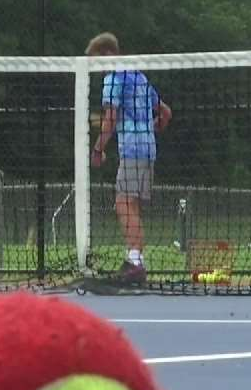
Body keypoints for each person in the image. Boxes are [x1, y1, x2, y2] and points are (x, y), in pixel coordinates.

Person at [86, 32, 172, 284]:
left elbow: (110, 119)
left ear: (107, 55)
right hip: (148, 148)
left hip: (132, 149)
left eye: (97, 63)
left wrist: (98, 149)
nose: (98, 69)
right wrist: (152, 126)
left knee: (123, 203)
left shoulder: (114, 79)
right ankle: (135, 260)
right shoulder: (140, 77)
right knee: (131, 204)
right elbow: (166, 113)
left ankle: (135, 262)